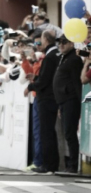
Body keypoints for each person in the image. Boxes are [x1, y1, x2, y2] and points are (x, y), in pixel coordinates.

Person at [25, 30, 60, 173]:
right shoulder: (56, 54)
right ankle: (51, 164)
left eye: (42, 39)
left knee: (46, 133)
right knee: (49, 132)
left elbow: (45, 80)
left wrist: (31, 86)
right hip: (53, 97)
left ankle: (48, 165)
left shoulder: (50, 56)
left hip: (47, 98)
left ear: (45, 39)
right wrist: (36, 79)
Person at [53, 34, 83, 173]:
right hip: (64, 101)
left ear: (72, 43)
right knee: (67, 133)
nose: (61, 45)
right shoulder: (64, 58)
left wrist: (81, 103)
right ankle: (71, 163)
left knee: (70, 133)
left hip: (71, 100)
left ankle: (73, 165)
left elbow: (77, 83)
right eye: (59, 42)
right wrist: (60, 105)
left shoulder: (74, 59)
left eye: (64, 42)